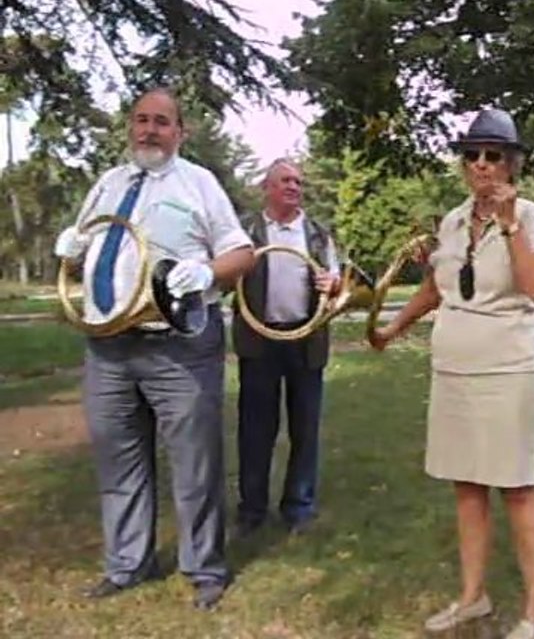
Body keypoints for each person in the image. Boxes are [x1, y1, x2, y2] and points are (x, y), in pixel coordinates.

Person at [53, 87, 255, 609]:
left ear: (180, 132)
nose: (149, 130)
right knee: (118, 461)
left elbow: (242, 253)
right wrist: (72, 251)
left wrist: (206, 271)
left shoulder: (198, 183)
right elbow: (86, 250)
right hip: (107, 346)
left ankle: (204, 569)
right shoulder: (108, 184)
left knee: (195, 464)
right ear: (130, 126)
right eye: (141, 120)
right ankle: (127, 565)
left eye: (162, 122)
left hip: (178, 347)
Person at [371, 109, 534, 639]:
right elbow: (437, 287)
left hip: (509, 368)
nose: (481, 164)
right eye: (472, 155)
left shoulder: (532, 217)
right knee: (467, 486)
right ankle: (473, 596)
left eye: (493, 155)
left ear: (512, 163)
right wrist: (393, 327)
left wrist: (510, 223)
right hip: (454, 368)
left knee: (517, 487)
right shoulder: (452, 221)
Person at [231, 159, 340, 536]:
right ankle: (252, 510)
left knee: (305, 429)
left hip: (306, 341)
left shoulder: (318, 234)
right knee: (255, 431)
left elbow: (337, 282)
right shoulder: (245, 232)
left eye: (298, 182)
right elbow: (226, 280)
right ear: (267, 187)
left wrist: (333, 285)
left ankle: (299, 507)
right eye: (285, 181)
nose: (294, 187)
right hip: (259, 342)